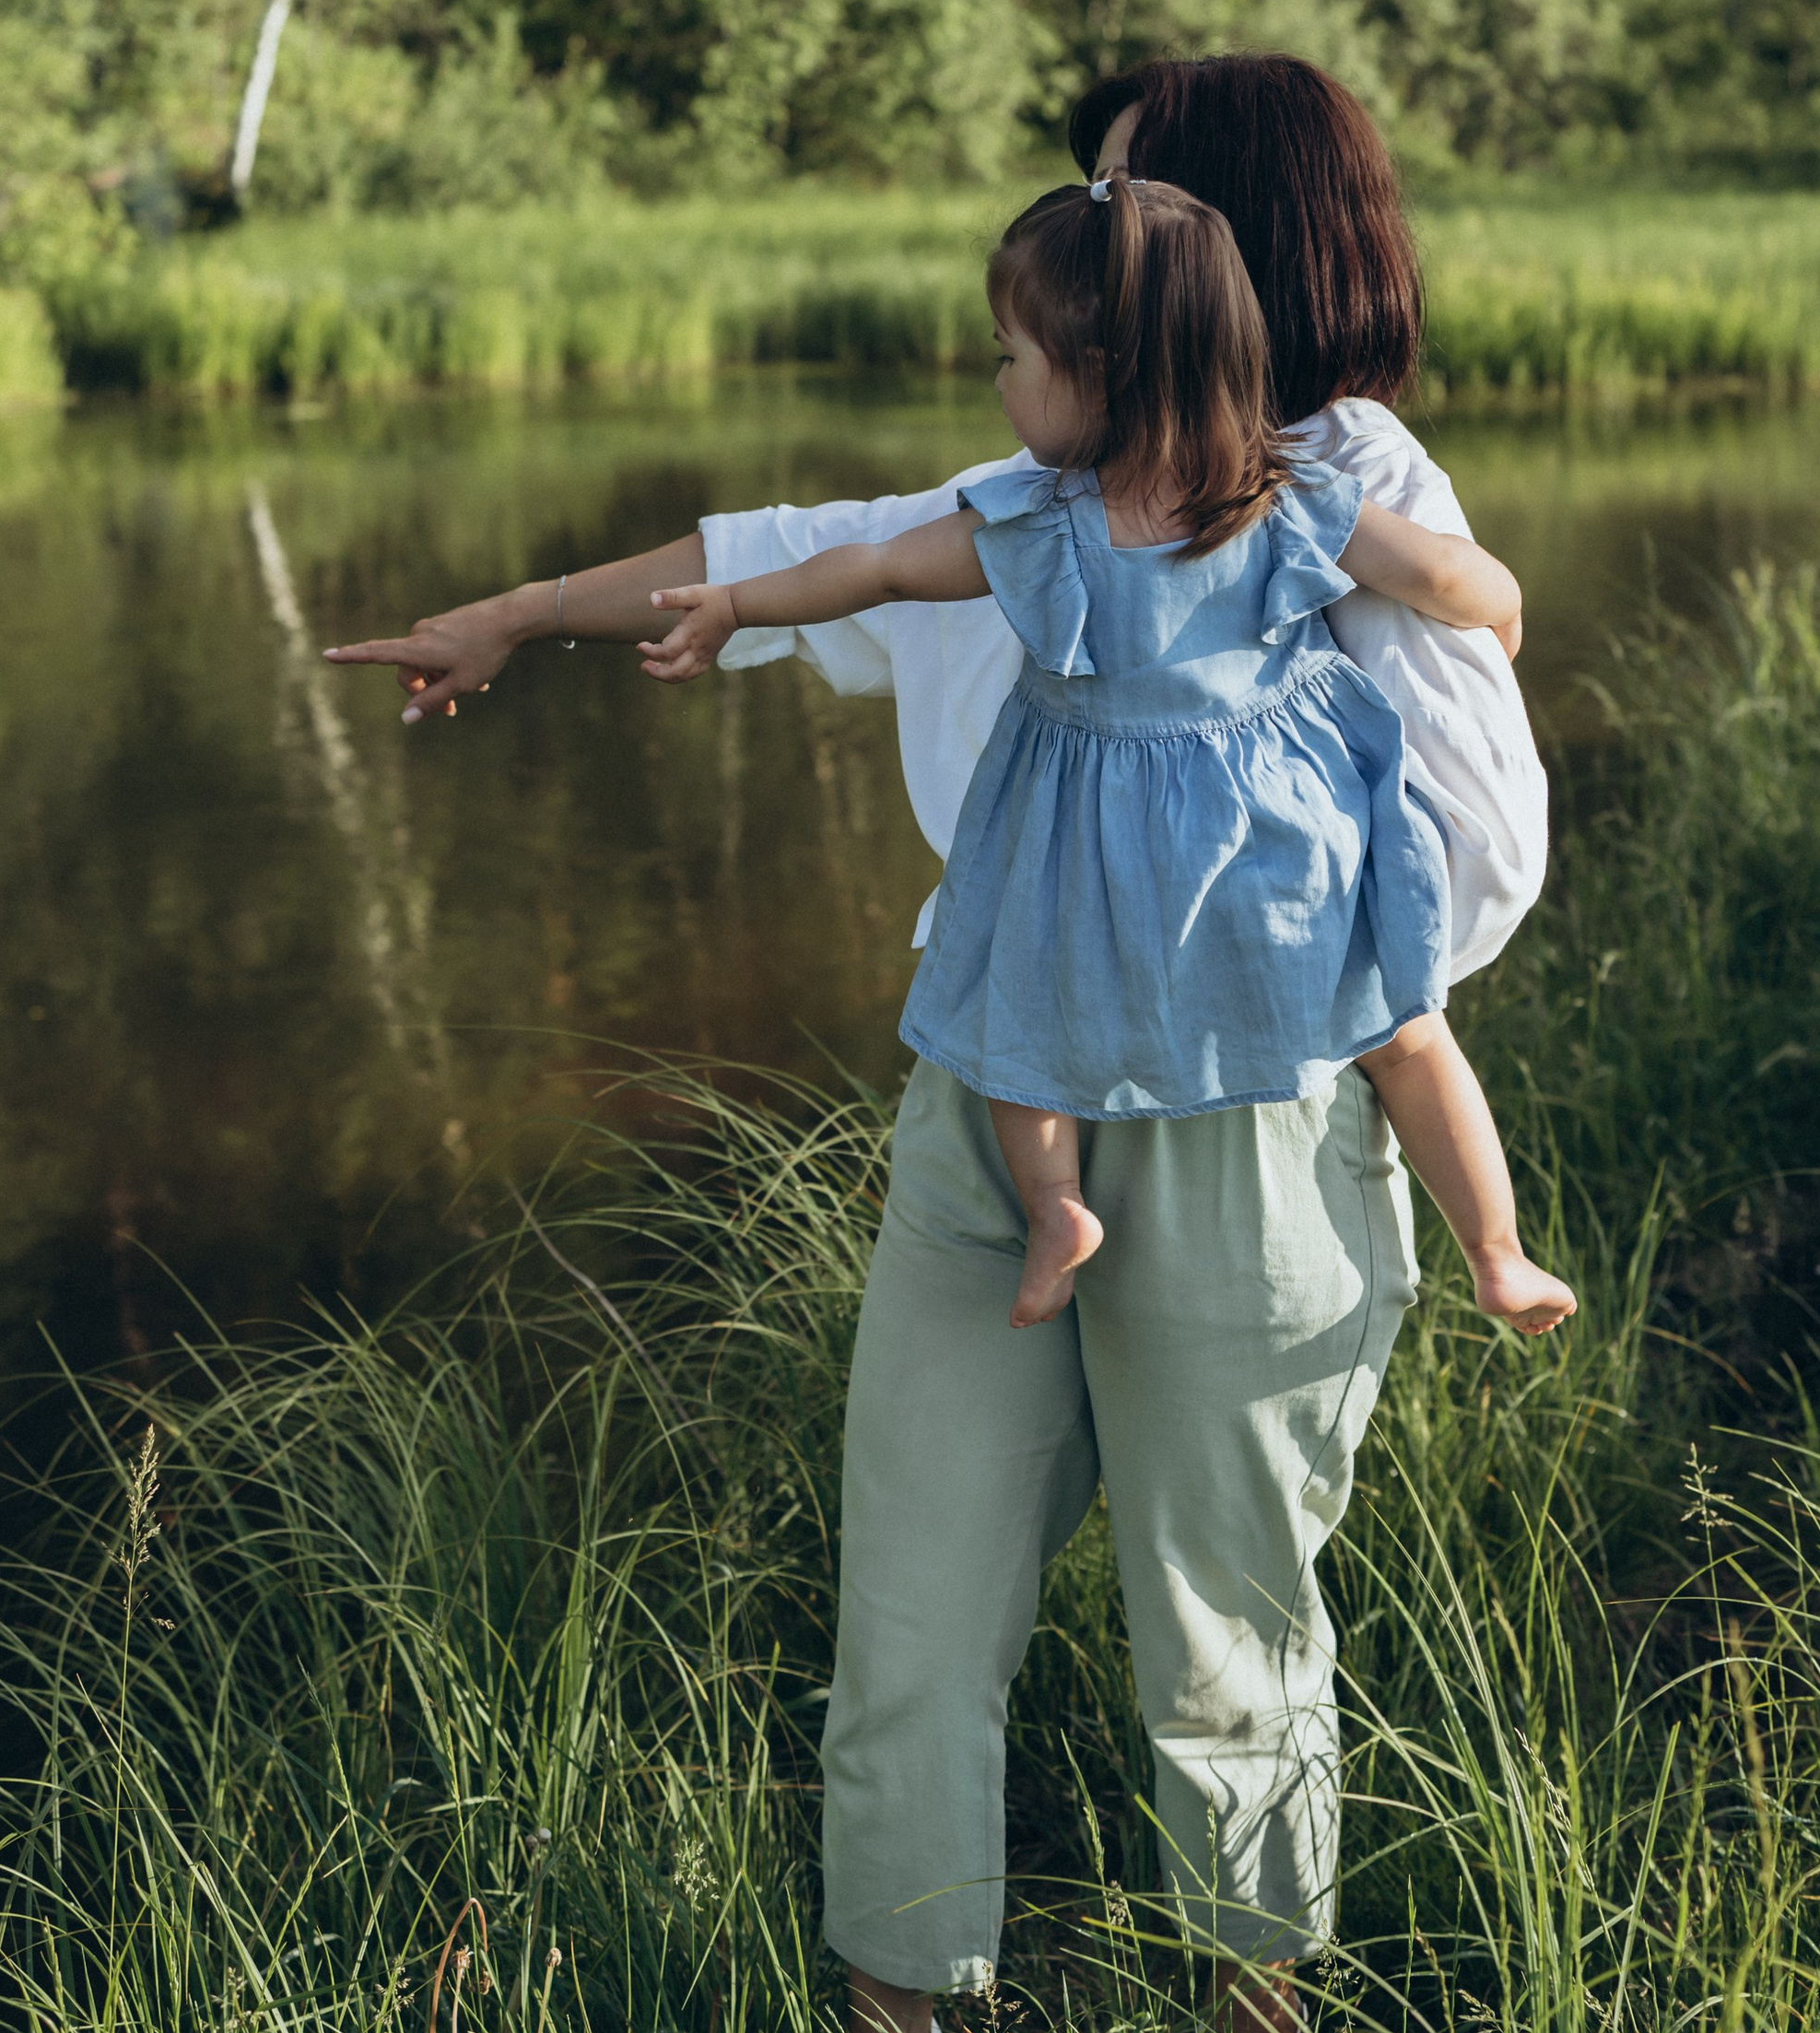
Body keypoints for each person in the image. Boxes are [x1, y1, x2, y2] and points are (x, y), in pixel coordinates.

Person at [324, 54, 1552, 2033]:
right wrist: (508, 613)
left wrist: (1224, 921)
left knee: (1223, 1638)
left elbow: (1473, 857)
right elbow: (793, 553)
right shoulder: (1033, 491)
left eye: (1116, 215)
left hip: (1249, 1131)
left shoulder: (1326, 491)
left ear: (1226, 264)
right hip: (995, 1115)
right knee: (904, 1628)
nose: (1073, 261)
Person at [637, 174, 1575, 1352]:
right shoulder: (1281, 499)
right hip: (1278, 833)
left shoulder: (1041, 524)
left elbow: (871, 570)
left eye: (1009, 357)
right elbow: (1445, 578)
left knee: (1016, 1020)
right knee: (1403, 1026)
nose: (998, 381)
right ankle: (1495, 1251)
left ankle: (1055, 1211)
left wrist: (734, 604)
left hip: (1086, 833)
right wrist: (1505, 606)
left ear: (1099, 371)